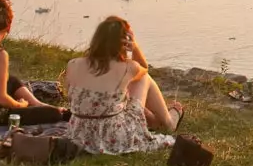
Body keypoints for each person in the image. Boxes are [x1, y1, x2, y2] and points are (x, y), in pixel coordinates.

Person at [64, 16, 183, 155]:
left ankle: (156, 121)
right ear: (124, 41)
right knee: (144, 78)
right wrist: (135, 47)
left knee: (115, 98)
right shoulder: (127, 67)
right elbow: (144, 68)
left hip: (79, 134)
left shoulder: (73, 64)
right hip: (113, 136)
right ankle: (169, 123)